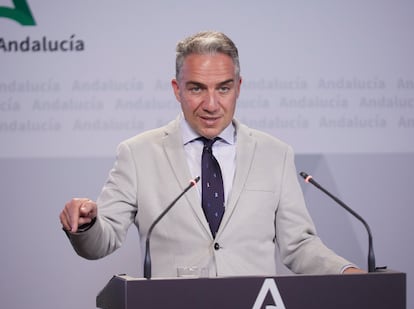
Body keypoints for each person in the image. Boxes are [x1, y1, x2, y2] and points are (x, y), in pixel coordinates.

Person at [60, 31, 362, 276]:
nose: (211, 104)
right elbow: (101, 242)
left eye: (223, 88)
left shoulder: (275, 154)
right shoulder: (138, 154)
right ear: (177, 89)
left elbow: (298, 245)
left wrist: (345, 272)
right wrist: (87, 224)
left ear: (239, 87)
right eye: (196, 89)